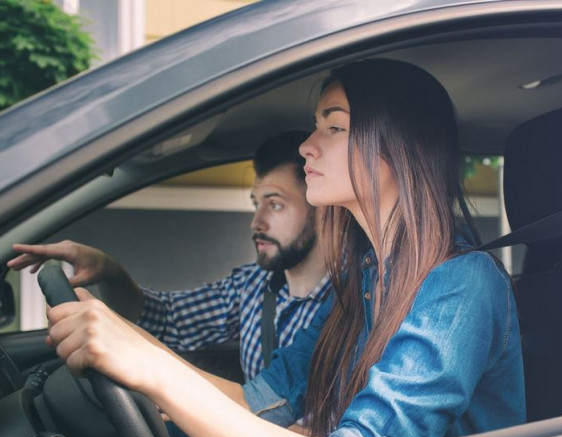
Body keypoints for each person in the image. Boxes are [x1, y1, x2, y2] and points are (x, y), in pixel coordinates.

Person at [43, 58, 525, 437]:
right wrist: (121, 336)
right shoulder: (365, 281)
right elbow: (259, 402)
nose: (307, 147)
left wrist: (153, 370)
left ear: (399, 147)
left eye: (333, 128)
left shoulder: (461, 284)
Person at [8, 131, 331, 382]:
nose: (256, 222)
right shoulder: (254, 285)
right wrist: (109, 270)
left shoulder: (351, 302)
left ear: (321, 209)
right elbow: (167, 319)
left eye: (274, 205)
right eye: (255, 203)